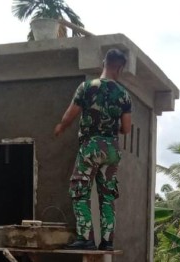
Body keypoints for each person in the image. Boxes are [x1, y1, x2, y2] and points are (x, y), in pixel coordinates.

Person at [54, 48, 132, 251]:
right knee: (107, 196)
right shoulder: (124, 95)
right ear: (120, 68)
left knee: (80, 191)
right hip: (112, 149)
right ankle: (107, 242)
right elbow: (126, 128)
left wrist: (61, 127)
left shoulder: (87, 87)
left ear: (104, 63)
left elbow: (70, 115)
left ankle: (85, 237)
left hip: (91, 146)